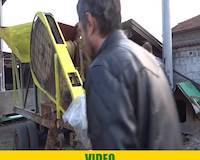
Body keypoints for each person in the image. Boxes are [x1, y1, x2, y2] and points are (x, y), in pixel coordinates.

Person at [76, 0, 182, 149]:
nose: (82, 40)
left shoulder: (103, 69)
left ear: (90, 22)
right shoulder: (152, 61)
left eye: (81, 30)